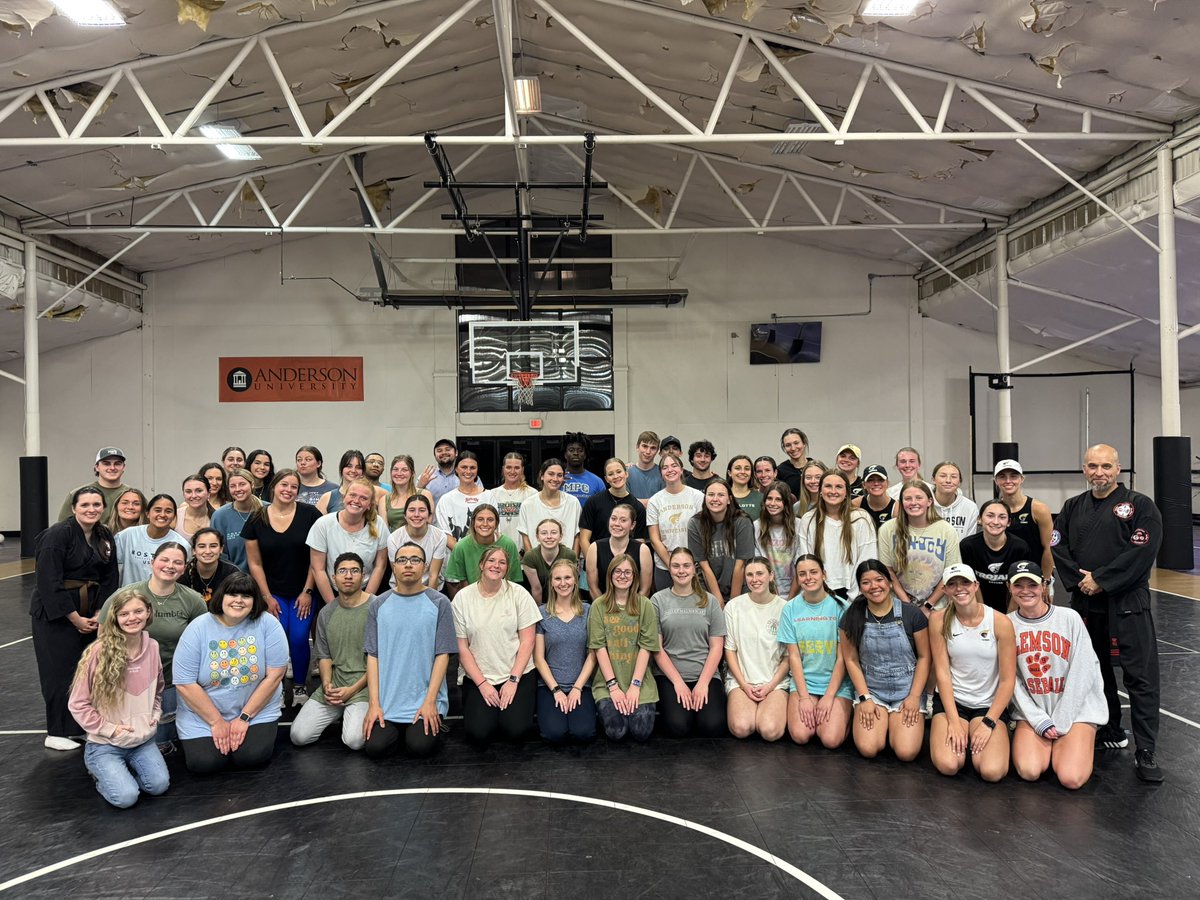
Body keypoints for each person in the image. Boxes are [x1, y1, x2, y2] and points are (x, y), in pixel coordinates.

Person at [1052, 443, 1164, 782]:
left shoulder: (1142, 507)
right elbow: (1058, 545)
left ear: (1118, 469)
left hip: (1127, 603)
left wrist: (1102, 579)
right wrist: (1082, 582)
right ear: (1084, 470)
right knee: (1094, 672)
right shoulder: (1073, 506)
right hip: (1087, 605)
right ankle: (1110, 729)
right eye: (1092, 466)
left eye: (1105, 466)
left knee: (1140, 678)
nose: (1098, 472)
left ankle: (1145, 751)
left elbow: (1142, 551)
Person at [32, 487, 120, 751]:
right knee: (59, 672)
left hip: (91, 610)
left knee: (87, 673)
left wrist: (98, 613)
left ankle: (80, 727)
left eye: (96, 505)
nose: (91, 509)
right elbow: (48, 581)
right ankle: (56, 731)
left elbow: (109, 577)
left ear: (103, 508)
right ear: (74, 508)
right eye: (85, 505)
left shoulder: (103, 536)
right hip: (55, 615)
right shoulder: (57, 535)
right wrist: (73, 618)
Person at [173, 574, 288, 773]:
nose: (238, 601)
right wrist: (216, 722)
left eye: (246, 596)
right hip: (203, 713)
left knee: (250, 757)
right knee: (206, 763)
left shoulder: (268, 624)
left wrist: (244, 717)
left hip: (255, 710)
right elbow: (184, 683)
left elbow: (275, 675)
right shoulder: (198, 628)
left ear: (254, 601)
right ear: (221, 597)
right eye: (232, 594)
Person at [1008, 561, 1107, 790]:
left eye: (1031, 584)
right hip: (1035, 711)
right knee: (1029, 770)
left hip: (1075, 710)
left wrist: (1062, 719)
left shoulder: (1069, 618)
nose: (1025, 590)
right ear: (1009, 588)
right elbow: (1010, 680)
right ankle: (1052, 744)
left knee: (1071, 778)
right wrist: (1037, 719)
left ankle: (1068, 744)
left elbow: (1084, 671)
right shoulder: (1007, 624)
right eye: (1018, 585)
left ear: (1043, 586)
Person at [68, 588, 169, 808]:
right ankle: (99, 770)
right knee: (126, 798)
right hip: (106, 744)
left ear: (148, 612)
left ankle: (123, 771)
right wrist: (110, 729)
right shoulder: (98, 652)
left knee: (158, 785)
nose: (132, 618)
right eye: (124, 614)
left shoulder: (152, 647)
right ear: (115, 617)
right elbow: (77, 703)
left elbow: (158, 689)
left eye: (138, 611)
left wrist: (155, 713)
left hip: (142, 741)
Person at [99, 541, 207, 746]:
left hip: (173, 682)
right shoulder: (124, 595)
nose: (170, 566)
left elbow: (203, 642)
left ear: (184, 567)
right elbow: (104, 637)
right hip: (129, 682)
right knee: (131, 739)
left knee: (165, 743)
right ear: (152, 562)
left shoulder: (193, 600)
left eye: (177, 562)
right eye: (164, 560)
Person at [363, 543, 455, 759]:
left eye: (415, 560)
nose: (408, 565)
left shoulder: (440, 603)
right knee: (375, 748)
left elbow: (443, 655)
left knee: (420, 747)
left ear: (424, 567)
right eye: (402, 560)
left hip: (424, 698)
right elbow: (372, 656)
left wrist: (430, 701)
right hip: (388, 701)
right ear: (394, 567)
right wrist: (374, 704)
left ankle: (431, 722)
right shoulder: (378, 605)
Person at [928, 564, 1016, 782]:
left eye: (965, 582)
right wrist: (953, 721)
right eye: (952, 584)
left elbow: (1007, 680)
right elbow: (942, 672)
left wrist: (988, 723)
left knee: (992, 772)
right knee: (949, 765)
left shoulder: (1000, 622)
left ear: (976, 586)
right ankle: (961, 732)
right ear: (946, 590)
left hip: (987, 705)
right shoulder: (937, 620)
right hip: (953, 702)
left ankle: (980, 733)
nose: (960, 588)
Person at [242, 469, 321, 702]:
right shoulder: (257, 517)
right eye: (283, 485)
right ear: (274, 487)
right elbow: (254, 563)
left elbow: (316, 559)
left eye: (294, 487)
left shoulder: (310, 515)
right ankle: (272, 689)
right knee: (278, 637)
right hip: (272, 592)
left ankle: (299, 686)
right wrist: (266, 597)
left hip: (303, 591)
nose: (288, 490)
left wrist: (308, 592)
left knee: (298, 637)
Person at [839, 560, 931, 762]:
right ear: (860, 587)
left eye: (879, 580)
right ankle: (885, 723)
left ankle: (895, 725)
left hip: (907, 690)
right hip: (872, 690)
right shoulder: (852, 616)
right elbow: (851, 660)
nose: (874, 587)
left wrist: (914, 697)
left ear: (889, 582)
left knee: (906, 752)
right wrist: (865, 698)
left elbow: (925, 657)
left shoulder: (911, 614)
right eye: (866, 582)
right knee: (868, 748)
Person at [454, 546, 542, 745]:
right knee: (479, 734)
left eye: (502, 562)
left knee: (516, 731)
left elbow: (528, 641)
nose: (496, 565)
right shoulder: (463, 598)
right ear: (481, 565)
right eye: (491, 561)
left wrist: (513, 680)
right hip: (479, 675)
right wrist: (483, 685)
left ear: (507, 568)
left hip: (516, 673)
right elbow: (462, 648)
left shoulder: (519, 594)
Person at [290, 553, 372, 751]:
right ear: (333, 578)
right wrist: (327, 685)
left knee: (354, 741)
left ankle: (353, 713)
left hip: (365, 689)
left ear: (363, 576)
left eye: (354, 571)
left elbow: (381, 661)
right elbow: (324, 656)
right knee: (298, 736)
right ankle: (343, 711)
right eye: (342, 571)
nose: (348, 576)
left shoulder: (377, 607)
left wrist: (351, 691)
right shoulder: (327, 612)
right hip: (335, 688)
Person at [651, 547, 728, 738]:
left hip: (705, 674)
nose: (681, 571)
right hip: (670, 676)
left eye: (686, 566)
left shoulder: (710, 602)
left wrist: (703, 683)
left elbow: (717, 647)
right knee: (679, 727)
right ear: (669, 569)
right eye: (676, 566)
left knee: (713, 726)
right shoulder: (658, 600)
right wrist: (678, 683)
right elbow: (657, 649)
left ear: (694, 569)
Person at [779, 555, 852, 748]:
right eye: (802, 574)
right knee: (801, 735)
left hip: (836, 685)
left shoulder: (842, 608)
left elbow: (842, 659)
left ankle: (845, 718)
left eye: (813, 572)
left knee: (830, 739)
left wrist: (829, 697)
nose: (808, 577)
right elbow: (793, 656)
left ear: (824, 574)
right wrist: (803, 698)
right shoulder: (790, 609)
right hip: (806, 682)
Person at [588, 554, 659, 742]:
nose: (622, 576)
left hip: (639, 680)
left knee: (641, 732)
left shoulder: (645, 605)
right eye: (618, 571)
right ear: (610, 575)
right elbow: (599, 647)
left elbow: (646, 647)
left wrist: (635, 686)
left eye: (628, 572)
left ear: (635, 576)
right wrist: (613, 687)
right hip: (608, 681)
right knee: (616, 731)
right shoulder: (598, 606)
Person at [724, 557, 789, 741]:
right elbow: (730, 650)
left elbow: (788, 656)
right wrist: (744, 685)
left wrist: (770, 686)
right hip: (742, 681)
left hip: (774, 682)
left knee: (770, 731)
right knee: (741, 728)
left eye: (760, 573)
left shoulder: (785, 608)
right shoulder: (733, 607)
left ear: (771, 576)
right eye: (750, 575)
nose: (755, 579)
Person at [533, 559, 597, 743]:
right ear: (551, 583)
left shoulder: (588, 611)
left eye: (567, 577)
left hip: (581, 685)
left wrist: (577, 687)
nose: (563, 583)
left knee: (583, 733)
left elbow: (593, 654)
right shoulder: (542, 614)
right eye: (558, 578)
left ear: (576, 580)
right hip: (550, 686)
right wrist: (556, 690)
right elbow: (539, 659)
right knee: (554, 734)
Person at [877, 480, 961, 611]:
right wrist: (907, 606)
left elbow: (950, 573)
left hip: (937, 607)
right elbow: (888, 572)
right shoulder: (887, 529)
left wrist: (928, 605)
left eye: (919, 498)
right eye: (908, 498)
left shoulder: (946, 530)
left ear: (929, 502)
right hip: (899, 606)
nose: (913, 502)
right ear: (901, 503)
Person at [308, 478, 390, 606]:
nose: (356, 501)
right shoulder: (323, 524)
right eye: (352, 495)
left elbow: (380, 566)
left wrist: (366, 602)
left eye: (363, 498)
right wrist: (332, 606)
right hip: (331, 592)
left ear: (370, 504)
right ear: (344, 497)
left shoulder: (378, 524)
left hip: (366, 591)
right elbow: (318, 569)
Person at [798, 471, 877, 600]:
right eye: (828, 486)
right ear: (820, 491)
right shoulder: (808, 520)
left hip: (856, 595)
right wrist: (820, 595)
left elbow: (867, 560)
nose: (833, 491)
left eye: (839, 487)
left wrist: (854, 598)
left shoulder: (861, 519)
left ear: (846, 492)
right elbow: (806, 561)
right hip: (820, 594)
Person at [688, 479, 755, 605]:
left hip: (740, 586)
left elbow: (740, 565)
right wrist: (718, 601)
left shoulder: (742, 522)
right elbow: (704, 566)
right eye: (711, 494)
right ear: (705, 498)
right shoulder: (695, 523)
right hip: (708, 587)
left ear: (729, 499)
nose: (715, 499)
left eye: (721, 495)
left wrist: (732, 604)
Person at [646, 451, 704, 591]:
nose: (670, 470)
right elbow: (654, 539)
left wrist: (688, 565)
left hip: (695, 566)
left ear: (681, 469)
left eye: (674, 465)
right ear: (661, 473)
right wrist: (673, 566)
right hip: (664, 567)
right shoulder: (655, 501)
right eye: (665, 467)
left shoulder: (697, 496)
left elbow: (704, 532)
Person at [959, 499, 1030, 613]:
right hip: (978, 604)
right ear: (979, 519)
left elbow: (1020, 586)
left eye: (1002, 517)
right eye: (990, 516)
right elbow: (971, 583)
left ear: (1009, 522)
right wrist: (982, 614)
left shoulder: (1020, 548)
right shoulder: (968, 546)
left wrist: (1010, 616)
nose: (996, 522)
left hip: (1011, 605)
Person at [994, 459, 1055, 583]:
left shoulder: (1038, 509)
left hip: (1033, 578)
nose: (1008, 481)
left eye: (1013, 476)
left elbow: (1049, 547)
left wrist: (1046, 580)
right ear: (996, 481)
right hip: (1004, 578)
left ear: (1022, 479)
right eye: (1002, 477)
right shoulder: (994, 510)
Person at [444, 504, 522, 595]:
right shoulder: (461, 547)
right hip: (470, 599)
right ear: (473, 523)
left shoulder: (509, 545)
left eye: (490, 520)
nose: (485, 524)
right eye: (480, 519)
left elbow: (514, 582)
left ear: (496, 523)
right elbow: (453, 582)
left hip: (503, 597)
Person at [579, 457, 649, 558]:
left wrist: (628, 568)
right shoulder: (593, 502)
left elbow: (639, 543)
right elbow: (584, 539)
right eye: (611, 474)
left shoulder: (638, 507)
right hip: (597, 564)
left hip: (625, 568)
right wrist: (593, 564)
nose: (616, 476)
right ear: (606, 479)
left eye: (619, 472)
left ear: (626, 474)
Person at [114, 494, 191, 586]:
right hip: (129, 597)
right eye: (157, 510)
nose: (162, 515)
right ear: (147, 513)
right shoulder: (126, 536)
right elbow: (113, 572)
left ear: (174, 516)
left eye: (168, 511)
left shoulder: (182, 544)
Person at [585, 503, 654, 598]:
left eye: (623, 520)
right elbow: (593, 587)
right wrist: (604, 609)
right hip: (603, 607)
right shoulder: (594, 548)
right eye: (613, 519)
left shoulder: (643, 550)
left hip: (633, 608)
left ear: (632, 525)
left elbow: (645, 589)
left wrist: (630, 610)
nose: (617, 524)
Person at [517, 458, 580, 554]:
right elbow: (525, 538)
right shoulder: (528, 504)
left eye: (559, 475)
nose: (555, 479)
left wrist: (573, 562)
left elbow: (577, 536)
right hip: (537, 565)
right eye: (551, 474)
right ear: (542, 476)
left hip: (566, 564)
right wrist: (533, 563)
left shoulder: (573, 503)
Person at [385, 494, 448, 590]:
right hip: (401, 587)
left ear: (429, 515)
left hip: (430, 588)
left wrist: (429, 602)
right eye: (412, 510)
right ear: (405, 515)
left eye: (422, 510)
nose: (416, 515)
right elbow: (398, 574)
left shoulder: (439, 537)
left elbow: (433, 575)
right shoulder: (393, 539)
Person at [754, 482, 803, 599]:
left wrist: (790, 600)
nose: (772, 503)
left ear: (785, 503)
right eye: (769, 499)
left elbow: (800, 565)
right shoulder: (757, 526)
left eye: (778, 499)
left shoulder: (799, 525)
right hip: (768, 592)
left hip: (797, 593)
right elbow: (760, 564)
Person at [57, 447, 132, 522]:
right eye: (106, 463)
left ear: (123, 467)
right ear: (97, 467)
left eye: (117, 463)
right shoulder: (78, 494)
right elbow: (62, 528)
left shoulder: (133, 495)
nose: (112, 467)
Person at [435, 451, 495, 545]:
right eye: (464, 467)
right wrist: (463, 554)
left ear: (477, 470)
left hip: (484, 556)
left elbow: (495, 529)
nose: (468, 471)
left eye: (472, 468)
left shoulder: (489, 496)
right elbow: (445, 533)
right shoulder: (446, 500)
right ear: (456, 469)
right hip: (456, 557)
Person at [209, 468, 261, 571]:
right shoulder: (220, 516)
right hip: (235, 580)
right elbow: (220, 555)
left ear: (252, 485)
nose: (237, 489)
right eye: (233, 486)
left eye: (242, 484)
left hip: (268, 579)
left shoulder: (267, 510)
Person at [521, 519, 578, 605]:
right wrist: (540, 613)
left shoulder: (570, 555)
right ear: (537, 537)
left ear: (560, 536)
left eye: (554, 532)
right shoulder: (530, 557)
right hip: (541, 603)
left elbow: (572, 586)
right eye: (544, 533)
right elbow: (536, 589)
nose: (549, 536)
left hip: (565, 602)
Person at [491, 451, 537, 547]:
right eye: (508, 467)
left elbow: (534, 526)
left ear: (522, 470)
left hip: (524, 553)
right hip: (497, 550)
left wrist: (525, 551)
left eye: (516, 468)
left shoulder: (532, 494)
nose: (512, 471)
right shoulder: (492, 494)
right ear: (503, 469)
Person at [418, 438, 483, 507]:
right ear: (435, 455)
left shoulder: (469, 476)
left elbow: (481, 502)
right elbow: (415, 503)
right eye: (439, 450)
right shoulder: (425, 477)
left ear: (456, 453)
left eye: (448, 449)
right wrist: (420, 486)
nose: (444, 453)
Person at [180, 528, 239, 603]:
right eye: (202, 546)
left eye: (213, 546)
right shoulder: (183, 572)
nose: (207, 551)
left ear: (221, 549)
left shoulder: (232, 573)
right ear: (194, 550)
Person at [379, 454, 434, 530]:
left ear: (412, 473)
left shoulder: (425, 494)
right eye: (395, 469)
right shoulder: (384, 500)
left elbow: (428, 524)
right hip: (394, 540)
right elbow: (384, 530)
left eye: (404, 470)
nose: (399, 473)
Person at [931, 460, 978, 540]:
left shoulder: (970, 508)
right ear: (933, 480)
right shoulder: (924, 505)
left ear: (959, 482)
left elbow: (969, 543)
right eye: (943, 476)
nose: (948, 481)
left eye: (954, 477)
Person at [315, 449, 368, 515]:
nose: (353, 470)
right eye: (349, 466)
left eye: (358, 467)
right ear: (341, 469)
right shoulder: (327, 497)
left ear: (363, 472)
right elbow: (318, 524)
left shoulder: (369, 496)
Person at [561, 432, 605, 502]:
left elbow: (602, 509)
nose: (575, 453)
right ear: (565, 455)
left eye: (580, 450)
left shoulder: (597, 482)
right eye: (571, 450)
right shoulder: (557, 480)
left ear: (585, 455)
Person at [852, 465, 896, 531]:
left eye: (880, 480)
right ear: (864, 484)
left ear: (887, 483)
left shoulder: (896, 509)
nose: (876, 483)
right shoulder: (855, 505)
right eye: (870, 480)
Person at [626, 431, 664, 505]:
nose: (648, 451)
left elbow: (663, 502)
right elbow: (626, 502)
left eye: (653, 448)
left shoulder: (662, 473)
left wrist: (635, 502)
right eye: (645, 446)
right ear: (637, 447)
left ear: (657, 451)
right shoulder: (626, 473)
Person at [175, 475, 215, 541]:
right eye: (188, 491)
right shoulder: (175, 516)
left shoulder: (217, 517)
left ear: (208, 493)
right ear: (183, 494)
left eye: (199, 491)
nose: (193, 496)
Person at [726, 455, 763, 521]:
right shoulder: (723, 497)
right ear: (729, 473)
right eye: (737, 468)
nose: (743, 472)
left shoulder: (761, 498)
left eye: (747, 469)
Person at [775, 428, 810, 496]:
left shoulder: (816, 467)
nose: (793, 448)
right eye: (788, 445)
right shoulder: (780, 471)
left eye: (796, 443)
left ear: (804, 443)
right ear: (784, 448)